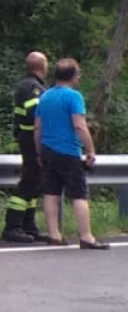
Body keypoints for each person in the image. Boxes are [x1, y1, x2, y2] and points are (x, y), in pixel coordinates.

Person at [37, 57, 106, 249]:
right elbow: (79, 125)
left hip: (47, 150)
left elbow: (37, 128)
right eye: (78, 74)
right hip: (68, 151)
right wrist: (90, 150)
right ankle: (86, 236)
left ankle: (54, 234)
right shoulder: (74, 97)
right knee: (78, 194)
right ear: (73, 76)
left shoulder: (45, 96)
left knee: (51, 193)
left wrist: (38, 153)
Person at [3, 51, 51, 243]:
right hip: (32, 139)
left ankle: (28, 227)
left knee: (35, 184)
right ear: (41, 66)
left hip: (29, 138)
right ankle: (12, 227)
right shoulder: (33, 88)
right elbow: (35, 115)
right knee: (29, 183)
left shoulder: (30, 85)